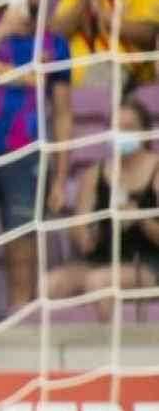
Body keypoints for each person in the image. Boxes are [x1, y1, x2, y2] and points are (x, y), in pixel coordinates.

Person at [0, 0, 72, 317]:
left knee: (22, 239)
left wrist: (60, 176)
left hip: (26, 151)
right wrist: (3, 29)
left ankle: (19, 319)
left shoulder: (55, 45)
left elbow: (62, 112)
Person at [46, 98, 159, 322]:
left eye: (128, 128)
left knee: (99, 282)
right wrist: (83, 236)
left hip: (146, 263)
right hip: (101, 259)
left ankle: (110, 351)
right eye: (116, 128)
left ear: (144, 133)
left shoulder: (156, 171)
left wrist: (141, 220)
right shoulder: (93, 174)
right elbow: (79, 227)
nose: (121, 134)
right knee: (50, 284)